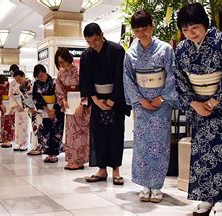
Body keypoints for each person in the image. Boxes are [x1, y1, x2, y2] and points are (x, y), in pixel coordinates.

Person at [174, 3, 222, 215]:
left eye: (194, 28)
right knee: (202, 153)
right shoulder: (181, 49)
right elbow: (179, 80)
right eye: (185, 30)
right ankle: (205, 197)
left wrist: (214, 101)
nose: (190, 34)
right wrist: (194, 104)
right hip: (199, 107)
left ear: (205, 25)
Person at [123, 10, 178, 203]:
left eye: (144, 29)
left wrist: (162, 98)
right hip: (141, 105)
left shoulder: (165, 49)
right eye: (137, 30)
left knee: (159, 145)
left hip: (161, 103)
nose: (141, 33)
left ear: (152, 26)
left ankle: (157, 186)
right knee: (142, 145)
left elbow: (172, 74)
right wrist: (139, 100)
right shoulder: (130, 53)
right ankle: (144, 184)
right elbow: (128, 79)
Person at [80, 23, 130, 185]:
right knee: (98, 135)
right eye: (89, 42)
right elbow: (85, 80)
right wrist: (95, 100)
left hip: (115, 99)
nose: (93, 45)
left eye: (95, 40)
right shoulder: (86, 55)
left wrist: (112, 100)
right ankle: (102, 169)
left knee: (115, 134)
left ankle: (116, 170)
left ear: (102, 34)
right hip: (97, 100)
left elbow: (121, 77)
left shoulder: (116, 50)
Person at [54, 48, 91, 170]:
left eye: (63, 61)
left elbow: (87, 86)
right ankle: (71, 159)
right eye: (59, 63)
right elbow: (59, 88)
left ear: (69, 58)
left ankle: (79, 160)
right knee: (70, 133)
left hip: (81, 104)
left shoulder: (80, 69)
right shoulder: (61, 73)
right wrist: (63, 99)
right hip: (69, 103)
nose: (62, 65)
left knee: (80, 133)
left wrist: (83, 103)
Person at [32, 64, 64, 163]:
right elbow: (36, 97)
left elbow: (60, 96)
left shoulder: (54, 82)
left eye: (42, 75)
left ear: (45, 72)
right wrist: (47, 109)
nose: (40, 78)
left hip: (56, 109)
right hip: (45, 109)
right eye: (38, 76)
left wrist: (53, 110)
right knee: (46, 131)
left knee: (56, 131)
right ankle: (48, 152)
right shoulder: (36, 84)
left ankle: (54, 153)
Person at [11, 70, 32, 151]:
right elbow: (13, 95)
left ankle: (25, 143)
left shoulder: (28, 83)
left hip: (25, 108)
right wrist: (16, 105)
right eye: (17, 80)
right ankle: (19, 143)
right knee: (18, 126)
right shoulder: (17, 85)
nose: (18, 82)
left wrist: (23, 106)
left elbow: (29, 96)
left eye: (19, 80)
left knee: (25, 125)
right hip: (18, 107)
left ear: (24, 76)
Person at [0, 74, 15, 148]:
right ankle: (5, 140)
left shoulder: (11, 86)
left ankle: (9, 141)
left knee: (10, 124)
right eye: (1, 83)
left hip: (11, 105)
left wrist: (13, 106)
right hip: (4, 106)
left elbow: (14, 96)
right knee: (3, 124)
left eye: (4, 83)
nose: (3, 85)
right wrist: (0, 105)